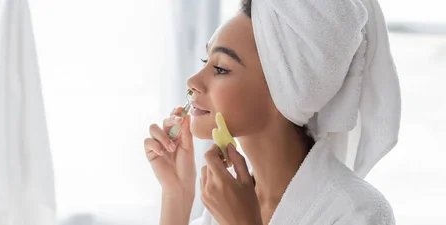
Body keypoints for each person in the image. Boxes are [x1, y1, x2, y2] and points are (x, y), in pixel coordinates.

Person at [143, 0, 401, 224]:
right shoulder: (228, 198)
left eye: (220, 68)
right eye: (205, 61)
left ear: (283, 89)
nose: (193, 82)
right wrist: (176, 194)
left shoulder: (359, 213)